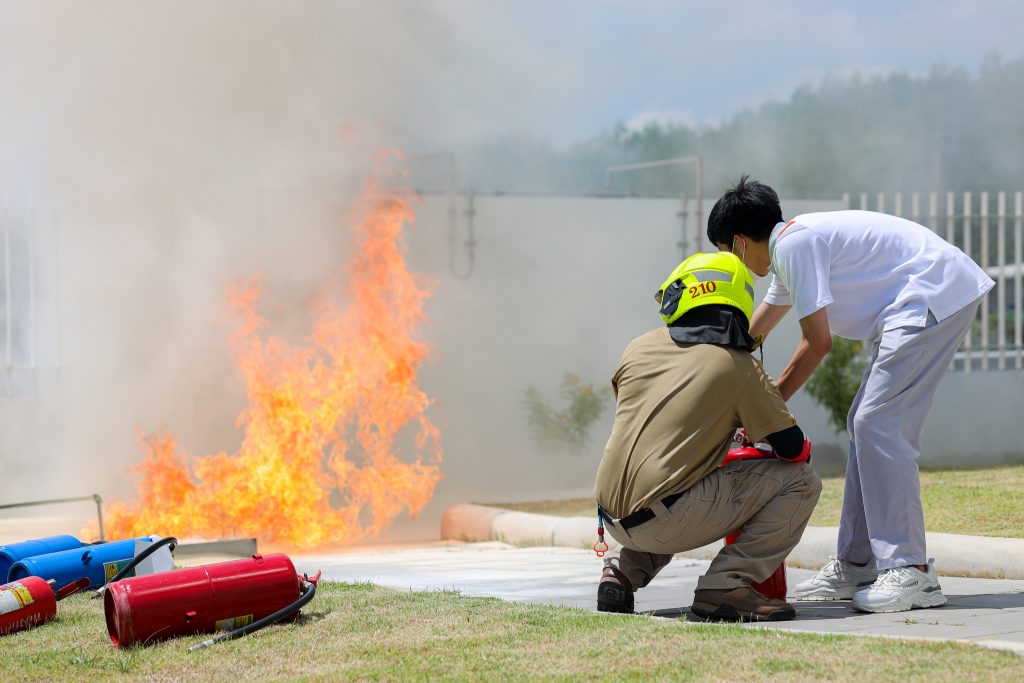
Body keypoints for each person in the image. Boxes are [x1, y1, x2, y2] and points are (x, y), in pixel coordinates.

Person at [706, 176, 994, 613]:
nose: (734, 263)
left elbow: (817, 344)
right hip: (913, 303)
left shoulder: (794, 247)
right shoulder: (791, 250)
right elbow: (756, 331)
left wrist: (763, 409)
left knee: (878, 423)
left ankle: (911, 571)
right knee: (864, 423)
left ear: (741, 242)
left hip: (929, 294)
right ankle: (857, 563)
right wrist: (717, 363)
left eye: (728, 252)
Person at [594, 251, 821, 622]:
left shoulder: (638, 348)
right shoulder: (737, 365)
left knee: (673, 482)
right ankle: (725, 585)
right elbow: (793, 449)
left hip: (614, 520)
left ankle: (619, 572)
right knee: (802, 481)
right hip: (667, 519)